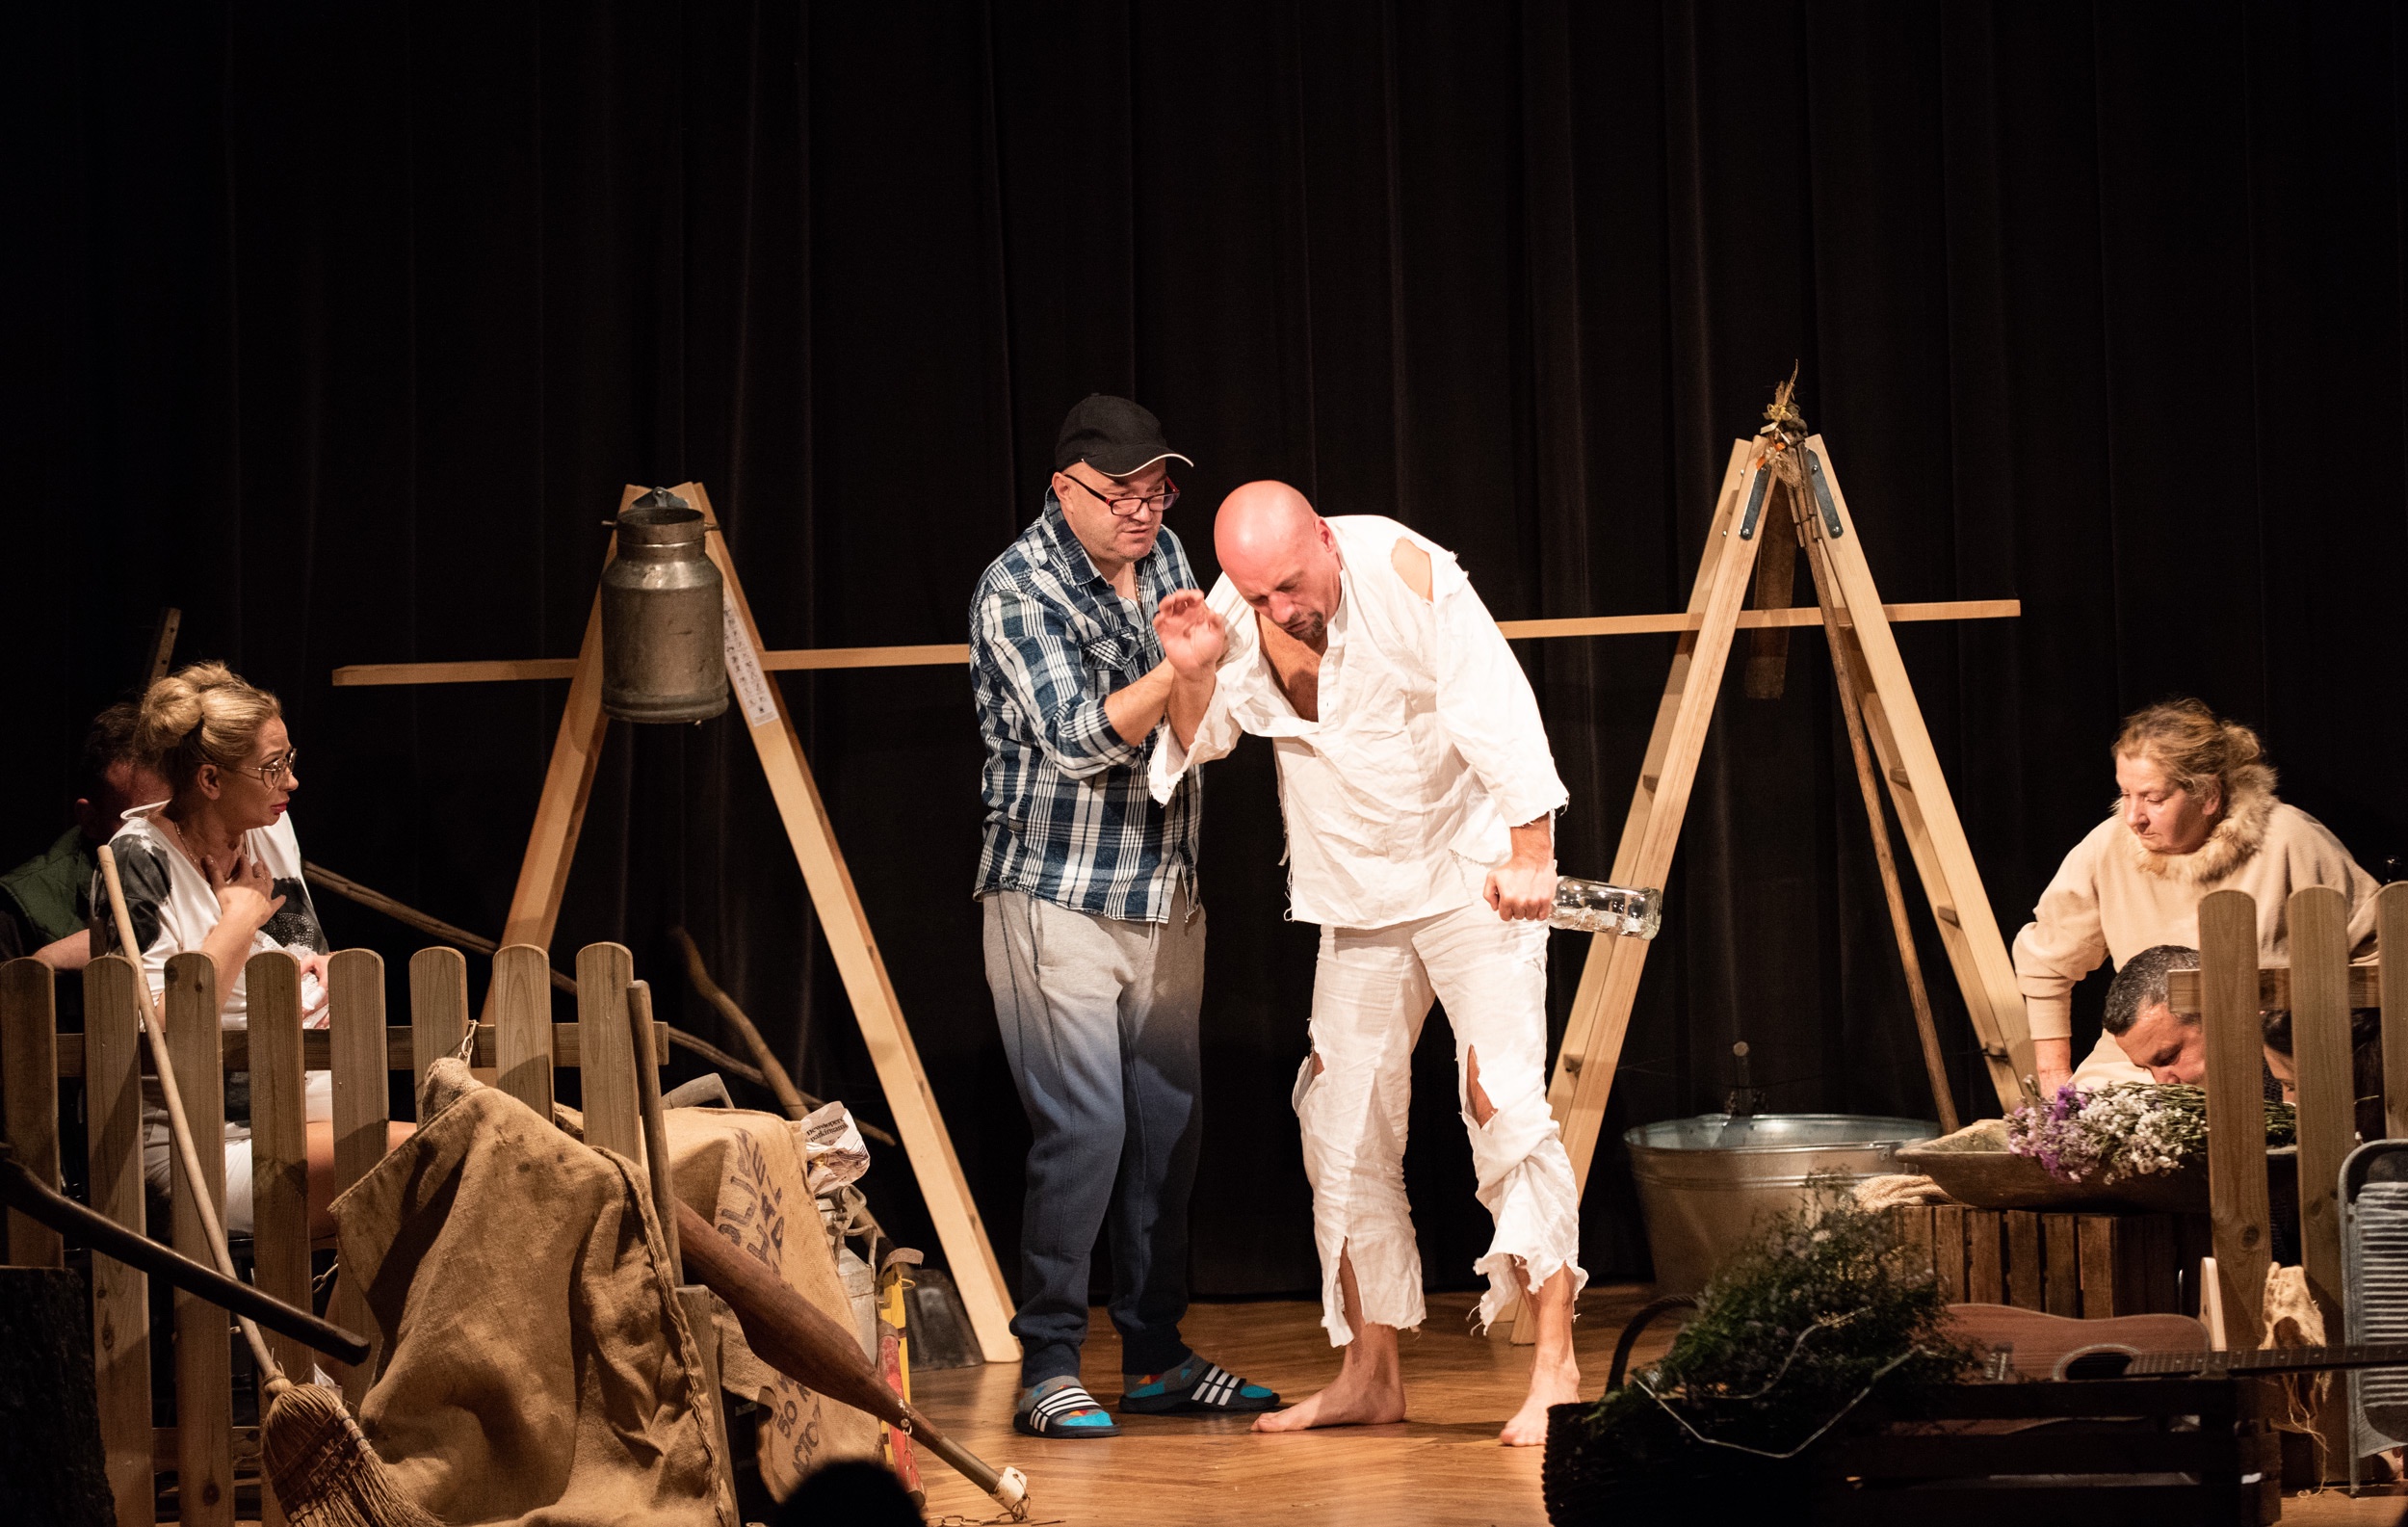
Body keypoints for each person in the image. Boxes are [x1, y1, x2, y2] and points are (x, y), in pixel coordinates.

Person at [1149, 481, 1583, 1447]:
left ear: (1323, 538)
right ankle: (1369, 1374)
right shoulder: (1234, 610)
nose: (1279, 610)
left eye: (1290, 586)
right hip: (1354, 893)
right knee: (1338, 1123)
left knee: (1501, 1102)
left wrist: (1531, 852)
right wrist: (1191, 672)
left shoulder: (1399, 568)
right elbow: (1196, 739)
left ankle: (1555, 1364)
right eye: (1257, 595)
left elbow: (1496, 706)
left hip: (1469, 873)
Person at [968, 395, 1276, 1437]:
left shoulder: (1171, 556)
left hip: (1163, 891)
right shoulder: (1018, 585)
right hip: (1055, 892)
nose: (1143, 511)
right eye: (1120, 494)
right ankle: (1049, 1364)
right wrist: (1178, 669)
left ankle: (1154, 1357)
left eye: (1156, 491)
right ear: (1067, 489)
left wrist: (1195, 679)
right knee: (1086, 1128)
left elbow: (1194, 720)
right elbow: (1074, 739)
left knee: (1167, 1134)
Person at [93, 662, 406, 1239]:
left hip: (314, 1121)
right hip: (215, 1146)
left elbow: (298, 946)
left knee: (505, 1146)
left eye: (289, 760)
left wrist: (320, 964)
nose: (291, 782)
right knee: (460, 1151)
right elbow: (160, 1033)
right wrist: (238, 918)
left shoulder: (264, 827)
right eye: (272, 767)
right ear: (210, 779)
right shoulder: (140, 859)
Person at [2013, 699, 2379, 1094]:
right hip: (2142, 1063)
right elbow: (2047, 962)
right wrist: (2054, 1077)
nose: (2133, 816)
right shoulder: (2107, 846)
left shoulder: (2288, 840)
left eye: (2153, 798)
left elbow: (2376, 957)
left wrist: (2297, 1035)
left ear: (2208, 796)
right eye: (2125, 793)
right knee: (2092, 1119)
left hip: (2268, 1063)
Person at [0, 702, 170, 971]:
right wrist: (46, 962)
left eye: (174, 815)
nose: (165, 836)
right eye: (141, 820)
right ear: (90, 820)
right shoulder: (21, 905)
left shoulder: (216, 865)